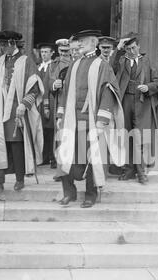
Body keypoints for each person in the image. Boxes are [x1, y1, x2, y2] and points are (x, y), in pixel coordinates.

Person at [55, 29, 124, 208]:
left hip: (92, 120)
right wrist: (61, 114)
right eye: (79, 42)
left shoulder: (102, 65)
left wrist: (102, 120)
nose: (79, 44)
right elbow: (65, 91)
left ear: (94, 43)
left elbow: (108, 92)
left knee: (92, 158)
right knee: (66, 155)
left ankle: (90, 195)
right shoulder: (74, 64)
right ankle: (68, 193)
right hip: (72, 120)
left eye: (83, 41)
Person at [0, 30, 44, 192]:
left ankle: (19, 179)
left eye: (4, 45)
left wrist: (24, 104)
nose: (1, 48)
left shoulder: (26, 61)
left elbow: (35, 87)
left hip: (16, 110)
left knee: (16, 144)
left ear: (12, 43)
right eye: (0, 45)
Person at [112, 32, 158, 184]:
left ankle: (141, 172)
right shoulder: (121, 60)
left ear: (139, 46)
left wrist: (148, 87)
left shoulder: (146, 61)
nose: (132, 51)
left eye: (134, 48)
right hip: (125, 100)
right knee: (125, 136)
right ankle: (128, 170)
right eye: (128, 49)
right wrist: (119, 48)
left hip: (141, 103)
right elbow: (109, 68)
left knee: (139, 138)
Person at [49, 39, 72, 173]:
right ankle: (60, 170)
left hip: (73, 103)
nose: (64, 53)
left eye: (66, 51)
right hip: (60, 102)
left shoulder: (76, 62)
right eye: (62, 51)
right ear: (58, 50)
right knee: (60, 135)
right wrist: (54, 85)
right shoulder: (53, 65)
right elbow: (48, 82)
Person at [37, 43, 55, 166]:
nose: (44, 54)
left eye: (46, 52)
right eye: (42, 52)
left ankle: (53, 157)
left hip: (51, 101)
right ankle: (43, 156)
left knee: (52, 130)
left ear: (52, 53)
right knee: (42, 129)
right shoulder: (38, 67)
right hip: (39, 102)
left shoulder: (54, 66)